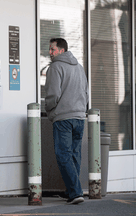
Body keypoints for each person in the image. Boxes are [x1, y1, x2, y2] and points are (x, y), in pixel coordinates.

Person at [44, 38, 89, 205]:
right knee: (74, 154)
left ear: (61, 50)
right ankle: (71, 190)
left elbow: (52, 94)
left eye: (52, 49)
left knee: (63, 155)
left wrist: (50, 111)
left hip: (63, 117)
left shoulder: (55, 67)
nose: (50, 52)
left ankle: (76, 192)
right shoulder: (79, 67)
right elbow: (86, 93)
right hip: (79, 116)